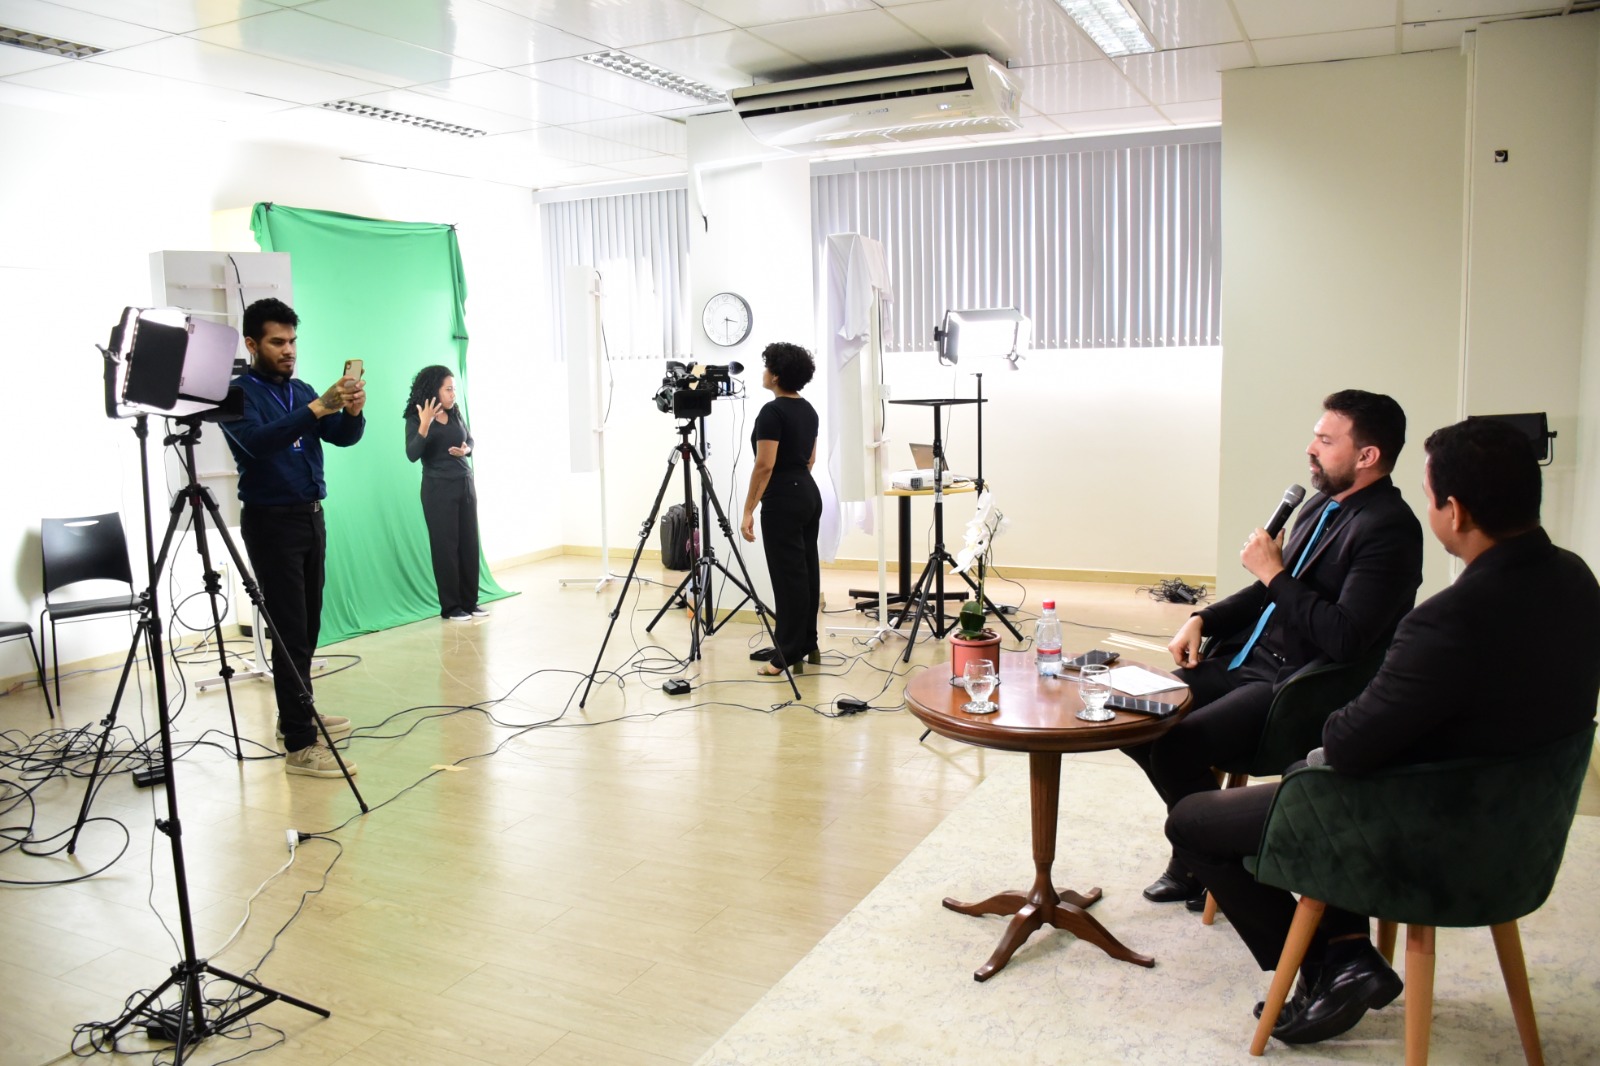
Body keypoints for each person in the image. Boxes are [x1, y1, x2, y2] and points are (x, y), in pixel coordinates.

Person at [1166, 416, 1600, 1045]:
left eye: (1430, 498)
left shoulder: (1448, 619)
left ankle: (1332, 968)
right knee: (1296, 768)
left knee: (1199, 821)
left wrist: (1330, 731)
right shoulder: (1578, 580)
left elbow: (1348, 742)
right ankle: (1345, 953)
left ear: (1454, 509)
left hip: (1426, 827)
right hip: (1521, 831)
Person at [1128, 390, 1424, 905]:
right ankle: (1207, 846)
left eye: (1326, 440)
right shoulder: (1320, 504)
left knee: (1176, 742)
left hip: (1293, 685)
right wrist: (1203, 616)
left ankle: (1204, 854)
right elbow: (1270, 589)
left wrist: (1275, 571)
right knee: (1132, 717)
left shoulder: (1389, 529)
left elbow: (1346, 636)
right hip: (1243, 661)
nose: (1311, 448)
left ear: (1367, 455)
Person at [222, 298, 365, 779]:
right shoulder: (236, 394)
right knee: (288, 632)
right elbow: (259, 443)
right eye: (277, 342)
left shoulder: (300, 389)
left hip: (309, 517)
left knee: (307, 628)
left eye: (292, 341)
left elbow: (341, 438)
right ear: (251, 344)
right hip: (271, 522)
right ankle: (301, 746)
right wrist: (319, 406)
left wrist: (351, 413)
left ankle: (295, 715)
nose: (288, 351)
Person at [740, 342, 822, 676]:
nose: (763, 372)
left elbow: (764, 465)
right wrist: (796, 486)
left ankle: (785, 654)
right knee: (806, 570)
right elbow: (810, 459)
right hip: (807, 492)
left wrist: (748, 509)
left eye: (766, 367)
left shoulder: (772, 413)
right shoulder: (809, 410)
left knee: (788, 578)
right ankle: (807, 643)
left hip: (783, 499)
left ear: (775, 375)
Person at [404, 365, 484, 622]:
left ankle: (470, 602)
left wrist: (466, 450)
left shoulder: (455, 412)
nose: (453, 394)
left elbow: (470, 440)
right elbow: (412, 454)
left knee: (469, 544)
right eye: (448, 389)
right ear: (434, 391)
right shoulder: (416, 416)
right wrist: (424, 426)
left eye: (454, 389)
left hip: (465, 484)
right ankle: (451, 607)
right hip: (438, 489)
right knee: (446, 548)